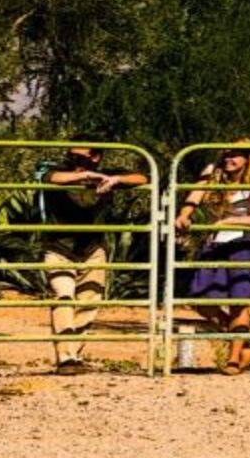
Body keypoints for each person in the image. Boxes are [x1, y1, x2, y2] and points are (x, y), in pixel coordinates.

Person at [35, 135, 148, 375]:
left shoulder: (107, 173)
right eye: (72, 156)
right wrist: (84, 176)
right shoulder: (56, 170)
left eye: (82, 157)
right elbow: (52, 178)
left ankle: (75, 353)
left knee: (89, 301)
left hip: (93, 249)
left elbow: (143, 177)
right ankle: (66, 358)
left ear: (96, 157)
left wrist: (115, 180)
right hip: (58, 247)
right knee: (63, 296)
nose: (76, 161)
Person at [174, 139, 250, 375]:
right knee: (201, 299)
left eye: (236, 154)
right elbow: (194, 196)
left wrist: (226, 221)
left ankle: (234, 358)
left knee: (239, 301)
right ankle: (243, 346)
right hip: (216, 244)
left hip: (244, 244)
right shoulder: (211, 174)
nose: (230, 159)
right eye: (226, 154)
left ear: (248, 158)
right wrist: (185, 215)